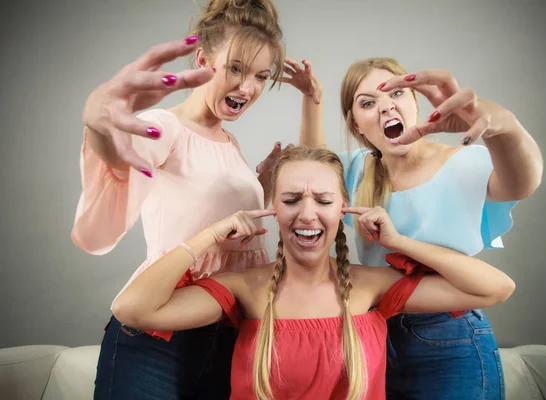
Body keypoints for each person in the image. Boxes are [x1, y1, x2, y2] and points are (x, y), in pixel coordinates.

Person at [112, 146, 516, 400]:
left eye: (323, 199)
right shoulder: (244, 287)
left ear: (344, 206)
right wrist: (210, 235)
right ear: (273, 207)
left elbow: (496, 289)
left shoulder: (368, 286)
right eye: (291, 199)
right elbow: (133, 309)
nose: (307, 214)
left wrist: (400, 243)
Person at [71, 1, 320, 398]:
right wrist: (99, 124)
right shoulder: (165, 128)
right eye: (235, 68)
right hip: (160, 332)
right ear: (203, 59)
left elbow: (313, 183)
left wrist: (263, 181)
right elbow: (119, 158)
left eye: (260, 76)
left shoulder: (229, 143)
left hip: (225, 333)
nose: (248, 87)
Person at [304, 58, 542, 399]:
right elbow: (312, 166)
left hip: (450, 335)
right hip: (376, 334)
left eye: (397, 93)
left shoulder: (462, 161)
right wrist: (311, 98)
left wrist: (504, 126)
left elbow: (524, 183)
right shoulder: (356, 170)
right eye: (368, 102)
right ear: (356, 124)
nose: (386, 106)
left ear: (415, 104)